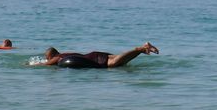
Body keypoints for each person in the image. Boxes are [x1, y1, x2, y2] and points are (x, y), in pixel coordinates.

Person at [31, 42, 159, 68]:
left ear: (50, 56)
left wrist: (34, 65)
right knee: (121, 60)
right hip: (95, 54)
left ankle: (140, 48)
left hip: (94, 59)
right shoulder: (66, 53)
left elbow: (48, 64)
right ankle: (142, 49)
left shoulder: (57, 57)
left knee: (114, 64)